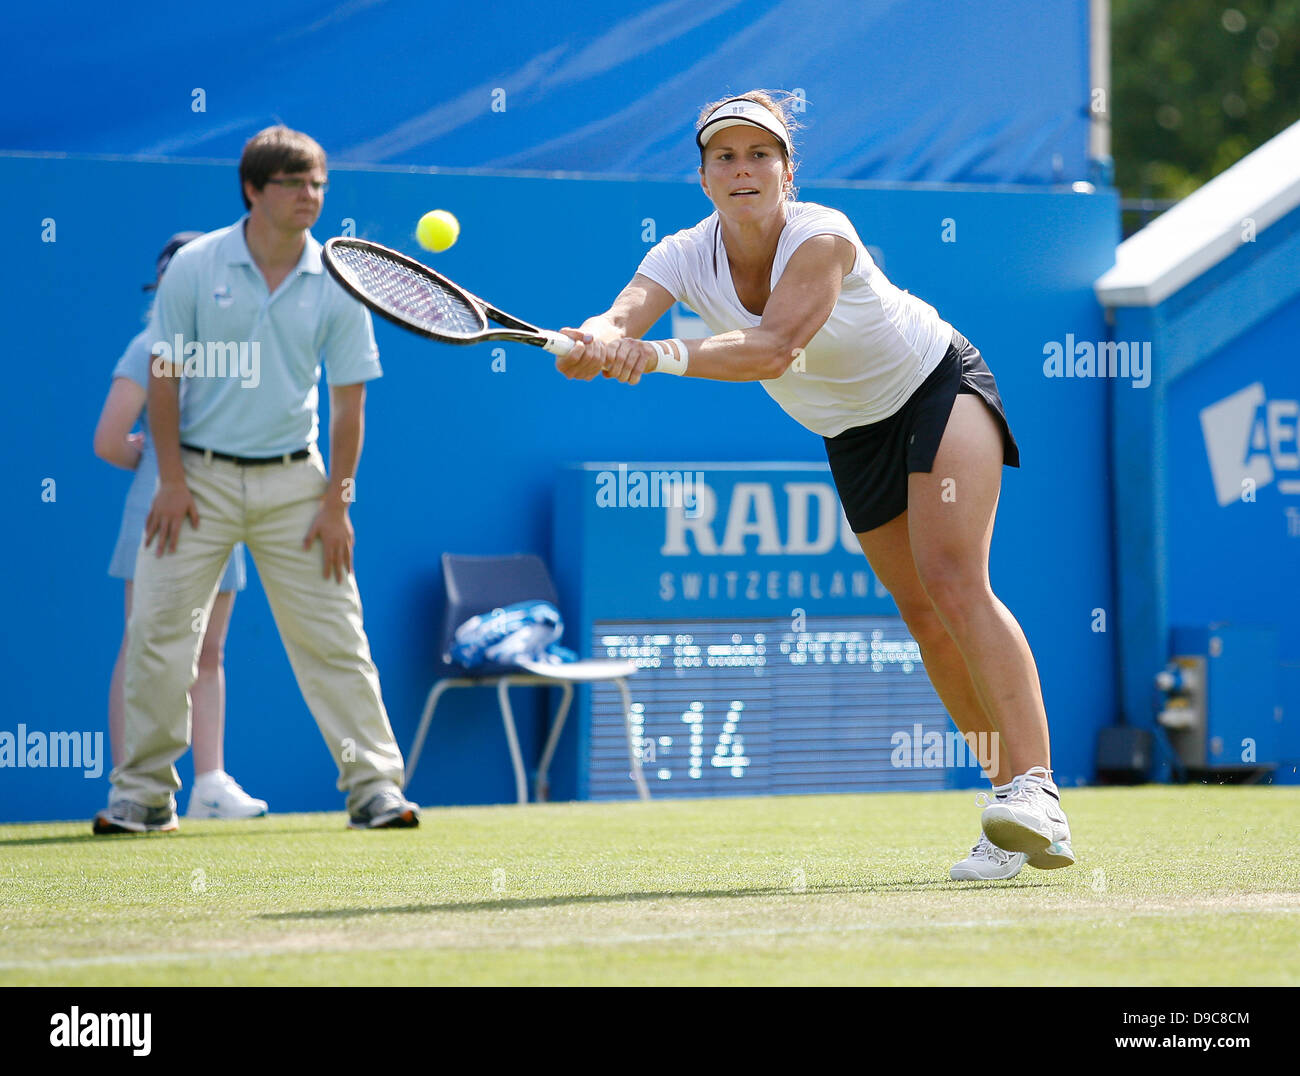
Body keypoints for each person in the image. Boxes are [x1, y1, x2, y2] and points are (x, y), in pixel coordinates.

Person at [554, 91, 1074, 881]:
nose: (743, 169)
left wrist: (653, 356)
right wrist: (598, 337)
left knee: (952, 579)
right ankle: (1005, 807)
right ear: (702, 179)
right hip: (851, 432)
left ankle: (1039, 792)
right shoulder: (680, 255)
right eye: (724, 157)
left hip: (936, 386)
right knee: (923, 619)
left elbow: (773, 349)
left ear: (787, 172)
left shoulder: (822, 235)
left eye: (759, 154)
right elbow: (623, 315)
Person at [93, 125, 418, 834]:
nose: (311, 197)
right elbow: (164, 376)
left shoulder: (338, 277)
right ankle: (143, 796)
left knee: (336, 638)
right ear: (252, 190)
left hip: (294, 483)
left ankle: (375, 790)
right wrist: (172, 481)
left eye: (319, 185)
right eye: (294, 184)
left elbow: (349, 402)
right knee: (158, 635)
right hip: (196, 481)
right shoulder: (195, 266)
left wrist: (338, 502)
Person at [93, 232, 267, 819]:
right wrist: (155, 459)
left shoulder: (233, 350)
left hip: (223, 511)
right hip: (158, 515)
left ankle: (210, 783)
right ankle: (132, 783)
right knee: (146, 648)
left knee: (209, 651)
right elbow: (110, 440)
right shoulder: (148, 344)